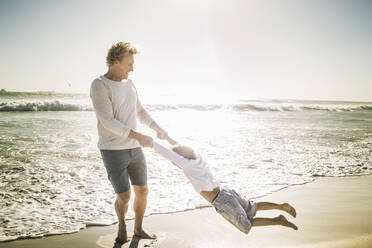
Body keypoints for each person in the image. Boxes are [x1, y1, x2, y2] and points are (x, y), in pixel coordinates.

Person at [90, 42, 168, 244]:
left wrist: (156, 128)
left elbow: (140, 111)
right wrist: (139, 136)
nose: (132, 68)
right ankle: (122, 224)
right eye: (129, 64)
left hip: (134, 148)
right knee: (124, 196)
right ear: (115, 62)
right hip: (113, 149)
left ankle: (139, 228)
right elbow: (107, 121)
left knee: (142, 190)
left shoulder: (130, 84)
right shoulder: (100, 85)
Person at [151, 136, 298, 234]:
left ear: (180, 158)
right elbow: (180, 154)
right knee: (253, 207)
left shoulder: (187, 166)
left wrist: (147, 140)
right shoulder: (197, 160)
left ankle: (277, 220)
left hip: (221, 200)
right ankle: (281, 206)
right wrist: (168, 138)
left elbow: (167, 154)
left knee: (247, 224)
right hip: (226, 192)